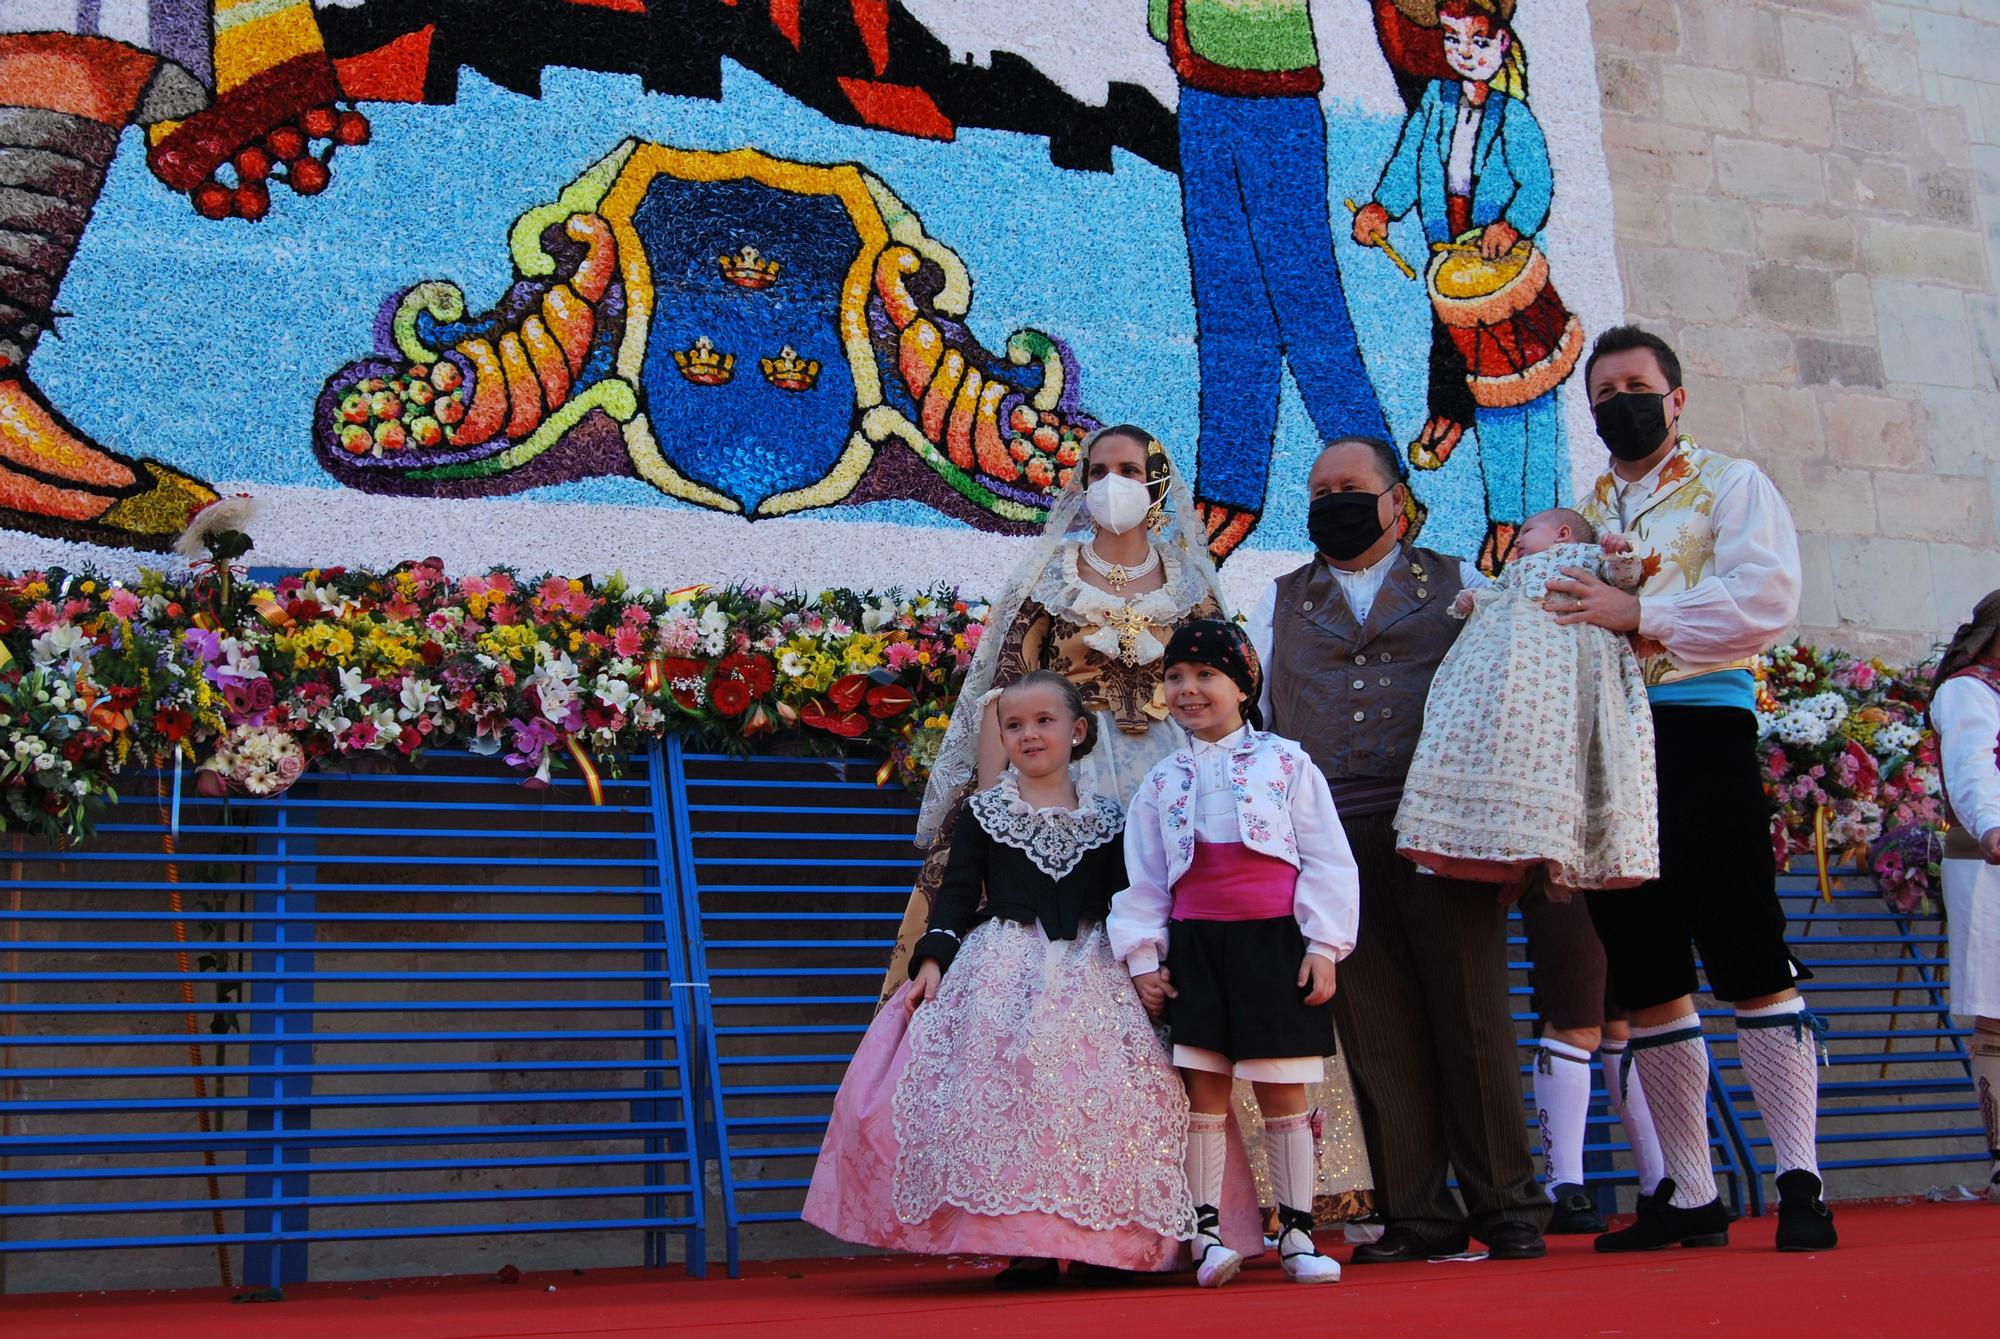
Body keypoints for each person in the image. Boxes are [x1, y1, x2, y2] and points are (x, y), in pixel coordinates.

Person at [877, 424, 1375, 1231]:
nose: (1114, 481)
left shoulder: (1192, 585)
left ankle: (1257, 1208)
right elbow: (1003, 698)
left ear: (1157, 482)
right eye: (1100, 469)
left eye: (1130, 469)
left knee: (1226, 963)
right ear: (1080, 481)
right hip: (1074, 784)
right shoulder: (1047, 578)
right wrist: (1000, 814)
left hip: (1185, 783)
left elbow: (1234, 687)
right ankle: (1093, 1195)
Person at [1556, 324, 1834, 1252]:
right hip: (1608, 741)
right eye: (1602, 394)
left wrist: (1642, 612)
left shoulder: (1731, 483)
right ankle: (1690, 1190)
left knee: (1746, 946)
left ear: (1676, 399)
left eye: (1635, 386)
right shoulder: (1583, 513)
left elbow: (1766, 599)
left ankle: (1801, 1180)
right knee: (1647, 971)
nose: (1618, 404)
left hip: (1701, 726)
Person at [1247, 434, 1550, 1263]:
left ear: (1396, 500)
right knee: (1376, 1029)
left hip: (1442, 833)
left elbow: (1511, 695)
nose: (1330, 501)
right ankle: (1418, 1213)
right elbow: (1261, 722)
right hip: (1334, 840)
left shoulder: (1462, 584)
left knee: (1474, 1018)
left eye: (1348, 485)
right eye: (1317, 489)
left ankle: (1509, 1206)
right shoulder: (1274, 599)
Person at [804, 672, 1195, 1286]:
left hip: (1095, 971)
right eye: (1014, 726)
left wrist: (1147, 966)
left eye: (1044, 721)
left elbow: (1127, 899)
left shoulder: (1113, 819)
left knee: (1118, 1091)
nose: (1029, 734)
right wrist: (932, 959)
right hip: (1003, 969)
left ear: (1078, 730)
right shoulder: (985, 814)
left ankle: (1111, 1243)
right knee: (1012, 1090)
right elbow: (956, 894)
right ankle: (1028, 1246)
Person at [1109, 620, 1357, 1286]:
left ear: (1244, 684)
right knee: (1204, 1089)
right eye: (1176, 677)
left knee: (1283, 1086)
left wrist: (1325, 944)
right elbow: (1146, 879)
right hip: (1198, 948)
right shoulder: (1161, 781)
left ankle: (1299, 1234)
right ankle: (1207, 1235)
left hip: (1273, 942)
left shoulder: (1287, 762)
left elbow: (1328, 860)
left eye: (1206, 675)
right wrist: (1143, 959)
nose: (1188, 689)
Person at [1143, 0, 1392, 563]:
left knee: (1308, 306)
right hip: (1201, 96)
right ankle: (1230, 490)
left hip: (1279, 100)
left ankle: (1380, 481)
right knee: (1228, 311)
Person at [1352, 0, 1579, 575]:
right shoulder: (1434, 102)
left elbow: (1537, 185)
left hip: (1503, 276)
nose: (1464, 53)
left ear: (1503, 45)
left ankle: (1542, 526)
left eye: (1478, 42)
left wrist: (1512, 224)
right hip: (1452, 268)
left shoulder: (1515, 117)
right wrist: (1383, 207)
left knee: (1532, 403)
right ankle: (1504, 518)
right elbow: (1409, 163)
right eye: (1454, 41)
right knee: (1483, 390)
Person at [1394, 505, 1658, 896]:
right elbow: (1491, 594)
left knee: (1559, 752)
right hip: (1514, 685)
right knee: (1512, 748)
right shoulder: (1513, 574)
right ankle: (1495, 836)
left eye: (1527, 531)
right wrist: (1471, 601)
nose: (1516, 541)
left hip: (1566, 673)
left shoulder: (1585, 558)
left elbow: (1625, 579)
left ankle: (1554, 848)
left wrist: (1619, 553)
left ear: (1563, 534)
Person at [1930, 591, 2000, 1203]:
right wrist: (1991, 825)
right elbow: (1973, 764)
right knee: (1998, 1015)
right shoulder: (1968, 690)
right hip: (1989, 863)